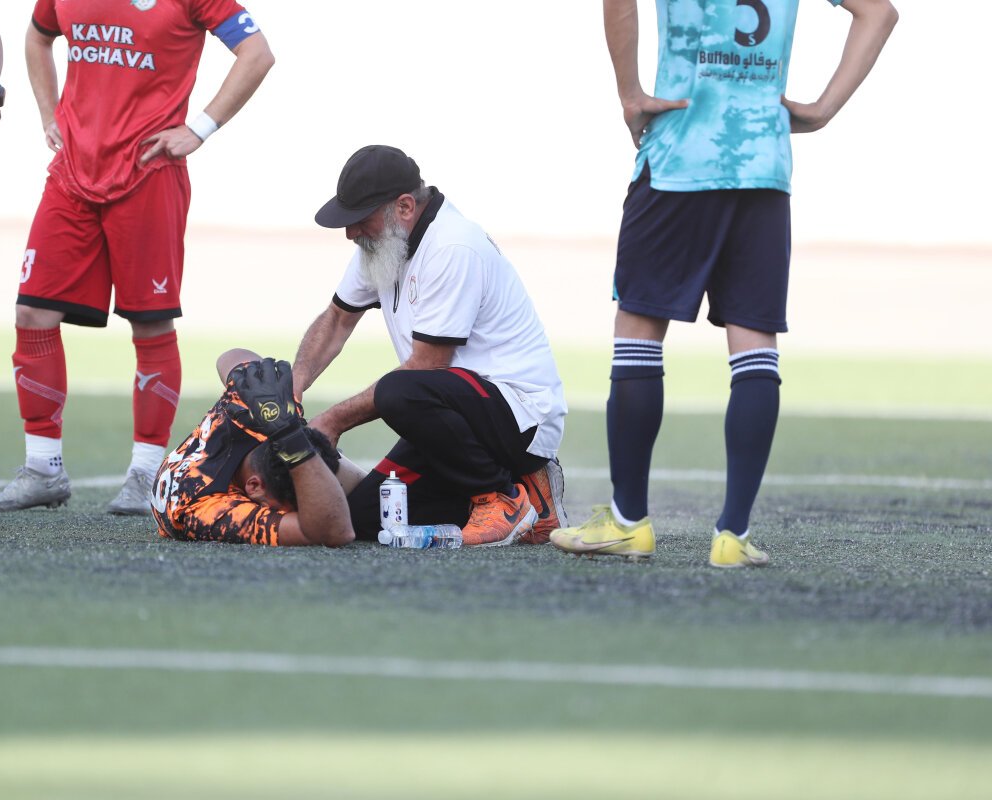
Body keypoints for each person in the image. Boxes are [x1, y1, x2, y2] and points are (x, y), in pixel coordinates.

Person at [550, 0, 898, 567]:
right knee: (755, 342)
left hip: (679, 157)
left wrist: (630, 94)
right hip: (763, 164)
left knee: (639, 327)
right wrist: (822, 110)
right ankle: (732, 535)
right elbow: (879, 13)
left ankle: (629, 521)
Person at [0, 0, 275, 516]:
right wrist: (49, 114)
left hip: (148, 174)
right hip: (72, 176)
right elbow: (38, 35)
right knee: (32, 313)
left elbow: (257, 53)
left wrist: (199, 128)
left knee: (151, 324)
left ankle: (145, 474)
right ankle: (43, 469)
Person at [293, 145, 568, 547]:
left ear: (404, 206)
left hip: (521, 418)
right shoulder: (382, 241)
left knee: (397, 391)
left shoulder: (453, 245)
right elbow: (336, 320)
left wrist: (333, 421)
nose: (350, 233)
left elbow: (428, 365)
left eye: (360, 220)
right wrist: (293, 392)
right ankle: (532, 501)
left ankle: (501, 499)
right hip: (456, 417)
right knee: (367, 520)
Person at [151, 350, 355, 547]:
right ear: (255, 487)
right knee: (358, 508)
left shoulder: (259, 413)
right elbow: (335, 530)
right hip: (194, 496)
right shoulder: (207, 508)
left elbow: (232, 356)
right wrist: (293, 441)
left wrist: (250, 379)